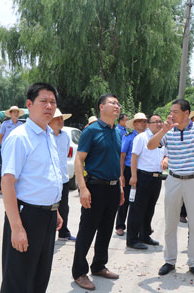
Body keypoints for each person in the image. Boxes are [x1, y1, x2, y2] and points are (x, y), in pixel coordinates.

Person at [147, 99, 194, 280]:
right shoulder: (169, 131)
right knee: (170, 222)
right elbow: (150, 146)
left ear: (186, 113)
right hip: (173, 179)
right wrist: (163, 130)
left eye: (175, 112)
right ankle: (170, 260)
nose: (171, 115)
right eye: (171, 111)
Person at [0, 83, 63, 293]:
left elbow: (45, 178)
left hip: (48, 216)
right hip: (26, 216)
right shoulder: (20, 137)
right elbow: (7, 183)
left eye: (52, 102)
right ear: (29, 104)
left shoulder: (49, 136)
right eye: (43, 101)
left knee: (39, 276)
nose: (49, 106)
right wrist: (17, 228)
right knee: (18, 280)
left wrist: (56, 209)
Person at [71, 94, 125, 291]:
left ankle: (99, 265)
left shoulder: (118, 132)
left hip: (112, 188)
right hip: (94, 187)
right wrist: (83, 188)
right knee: (87, 230)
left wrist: (119, 186)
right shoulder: (91, 131)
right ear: (101, 107)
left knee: (106, 230)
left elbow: (116, 162)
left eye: (118, 103)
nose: (116, 106)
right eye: (112, 103)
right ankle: (79, 272)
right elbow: (79, 160)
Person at [126, 114, 166, 249]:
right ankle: (132, 239)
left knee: (150, 208)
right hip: (143, 177)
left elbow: (165, 154)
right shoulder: (141, 138)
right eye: (155, 122)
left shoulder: (162, 138)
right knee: (137, 209)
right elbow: (134, 157)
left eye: (160, 121)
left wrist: (165, 160)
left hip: (157, 178)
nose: (159, 124)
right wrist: (133, 176)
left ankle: (145, 235)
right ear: (148, 124)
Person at [116, 112, 147, 237]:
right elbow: (122, 156)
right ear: (134, 124)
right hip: (129, 170)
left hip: (142, 171)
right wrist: (121, 175)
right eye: (140, 121)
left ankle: (137, 226)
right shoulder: (129, 137)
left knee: (140, 200)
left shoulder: (148, 137)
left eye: (145, 121)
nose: (143, 123)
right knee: (126, 199)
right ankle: (120, 225)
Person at [49, 108, 76, 242]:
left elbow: (65, 154)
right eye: (57, 118)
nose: (61, 121)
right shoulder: (46, 135)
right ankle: (47, 235)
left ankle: (64, 232)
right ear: (50, 121)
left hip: (63, 178)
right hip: (49, 180)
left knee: (64, 207)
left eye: (62, 119)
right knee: (49, 208)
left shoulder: (65, 136)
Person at [0, 105, 24, 195]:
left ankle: (14, 186)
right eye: (14, 112)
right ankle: (0, 188)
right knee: (4, 168)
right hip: (6, 150)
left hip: (17, 149)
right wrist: (4, 146)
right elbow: (1, 136)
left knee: (16, 167)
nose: (16, 114)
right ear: (10, 114)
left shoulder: (21, 125)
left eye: (17, 112)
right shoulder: (5, 124)